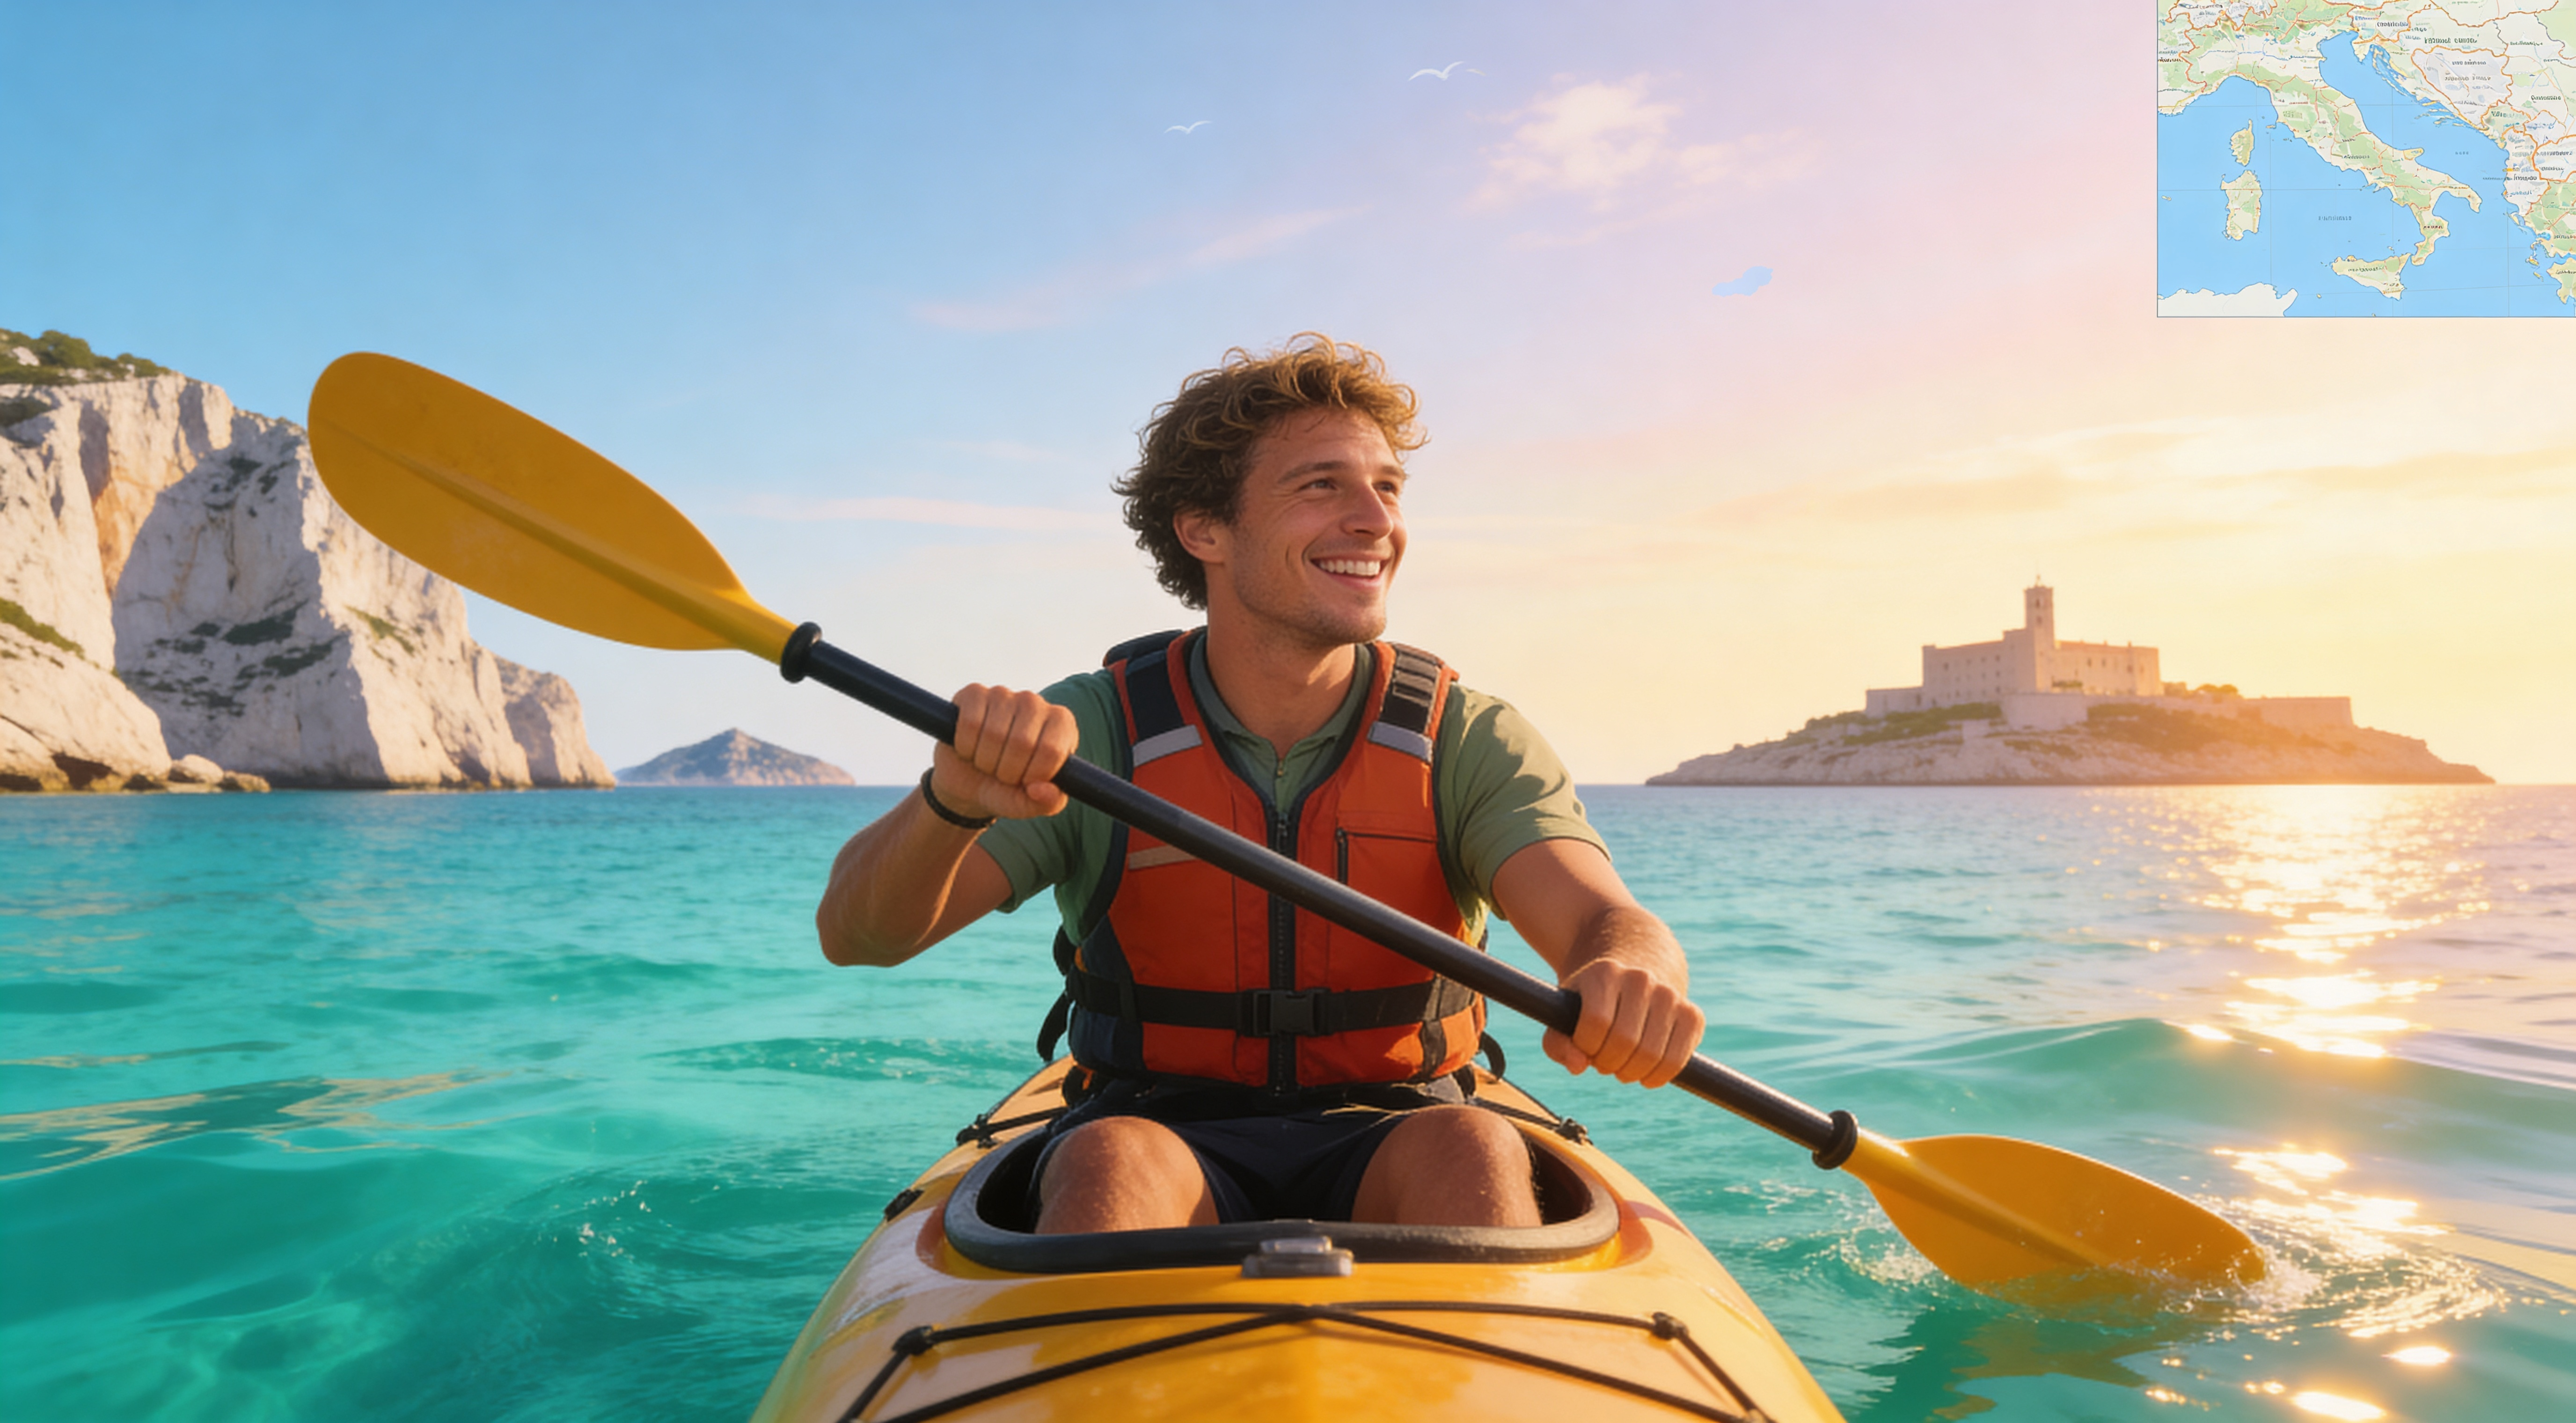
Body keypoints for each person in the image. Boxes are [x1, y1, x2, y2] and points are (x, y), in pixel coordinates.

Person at [815, 334, 1703, 1234]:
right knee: (1107, 1159)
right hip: (1154, 1125)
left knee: (1469, 1147)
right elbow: (859, 936)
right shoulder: (1092, 732)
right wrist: (951, 803)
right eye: (1321, 485)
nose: (1375, 520)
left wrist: (1631, 970)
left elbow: (1601, 921)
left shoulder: (1467, 736)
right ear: (1204, 529)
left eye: (1388, 489)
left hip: (1402, 1122)